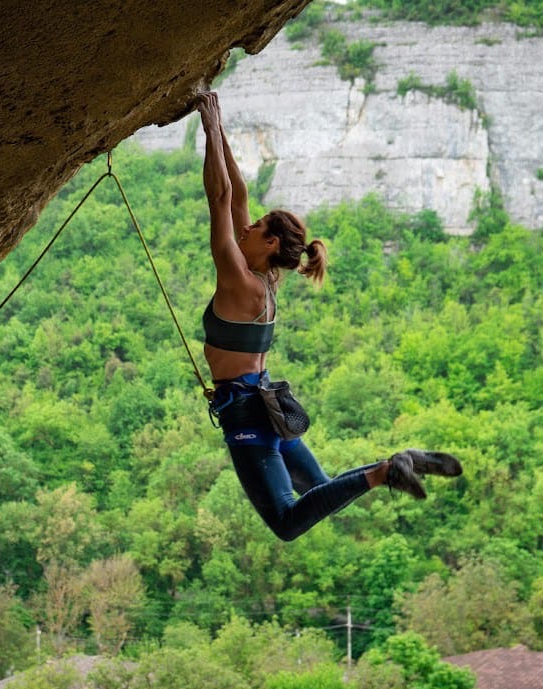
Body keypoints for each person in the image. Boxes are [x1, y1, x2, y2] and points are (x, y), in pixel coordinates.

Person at [194, 92, 462, 542]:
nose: (245, 227)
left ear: (272, 244)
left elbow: (220, 197)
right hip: (266, 402)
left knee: (286, 521)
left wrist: (208, 125)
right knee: (324, 491)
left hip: (247, 414)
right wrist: (218, 126)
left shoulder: (238, 279)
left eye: (256, 227)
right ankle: (398, 463)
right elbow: (237, 196)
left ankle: (382, 474)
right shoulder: (266, 283)